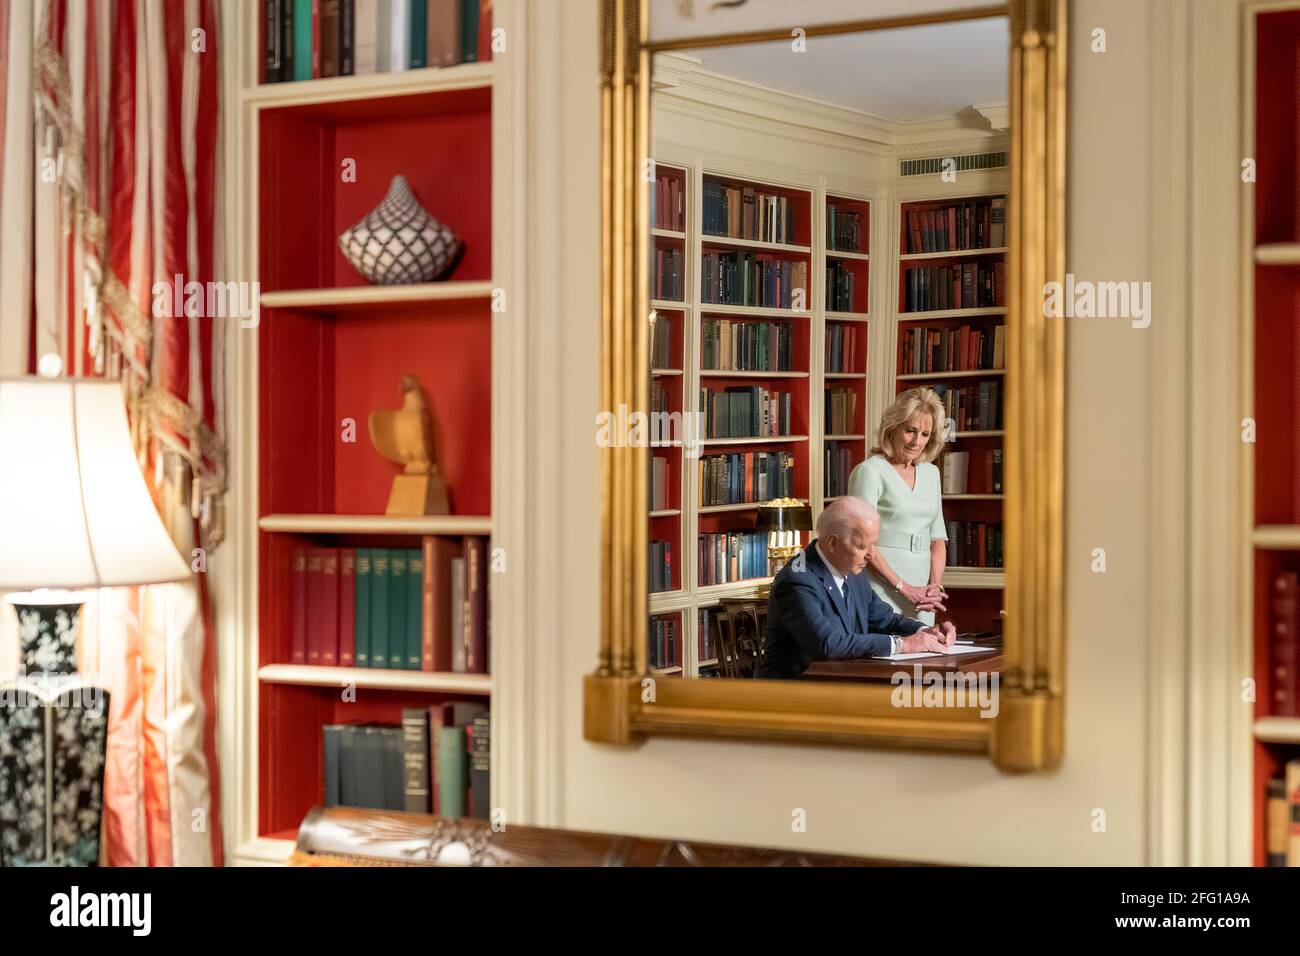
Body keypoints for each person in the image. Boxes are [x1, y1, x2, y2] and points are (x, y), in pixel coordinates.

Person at [757, 496, 955, 679]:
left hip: (840, 686)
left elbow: (885, 620)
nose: (870, 555)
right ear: (833, 543)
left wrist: (927, 632)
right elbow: (828, 644)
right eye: (862, 546)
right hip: (791, 697)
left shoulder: (852, 571)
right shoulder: (797, 580)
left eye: (873, 545)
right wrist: (903, 644)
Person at [848, 387, 948, 626]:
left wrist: (933, 588)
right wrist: (904, 588)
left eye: (925, 434)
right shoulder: (870, 471)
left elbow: (938, 541)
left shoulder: (931, 473)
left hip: (923, 597)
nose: (917, 442)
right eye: (910, 431)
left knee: (922, 657)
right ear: (892, 427)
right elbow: (863, 544)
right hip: (880, 587)